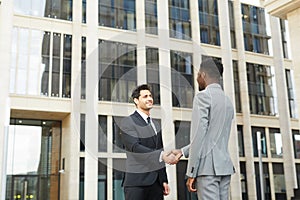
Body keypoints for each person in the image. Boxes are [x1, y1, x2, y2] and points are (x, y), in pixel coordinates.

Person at [172, 58, 235, 199]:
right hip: (224, 168)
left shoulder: (203, 97)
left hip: (208, 169)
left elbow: (199, 136)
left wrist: (191, 172)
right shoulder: (228, 102)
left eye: (198, 74)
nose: (197, 78)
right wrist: (183, 151)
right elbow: (212, 137)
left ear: (204, 75)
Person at [120, 84, 175, 200]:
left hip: (156, 184)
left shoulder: (156, 124)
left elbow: (160, 150)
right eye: (145, 96)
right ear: (136, 100)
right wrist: (161, 155)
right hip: (137, 183)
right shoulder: (128, 122)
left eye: (150, 96)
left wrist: (163, 180)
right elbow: (135, 147)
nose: (149, 98)